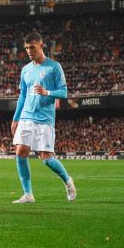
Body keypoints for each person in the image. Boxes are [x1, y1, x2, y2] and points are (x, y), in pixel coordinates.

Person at [11, 32, 76, 204]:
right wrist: (16, 118)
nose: (29, 51)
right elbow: (22, 96)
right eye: (26, 48)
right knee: (20, 152)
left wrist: (48, 92)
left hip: (44, 118)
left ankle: (67, 180)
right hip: (26, 116)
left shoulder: (54, 67)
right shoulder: (25, 69)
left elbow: (63, 92)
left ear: (41, 45)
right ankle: (28, 194)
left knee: (46, 158)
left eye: (32, 47)